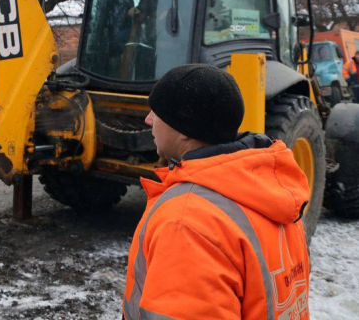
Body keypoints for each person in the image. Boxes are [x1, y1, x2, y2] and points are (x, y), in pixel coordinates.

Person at [123, 64, 311, 319]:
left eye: (156, 112)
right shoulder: (276, 194)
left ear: (182, 129)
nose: (148, 119)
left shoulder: (186, 221)